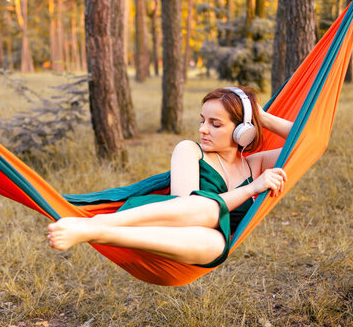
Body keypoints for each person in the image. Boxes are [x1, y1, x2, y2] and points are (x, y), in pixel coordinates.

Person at [47, 86, 293, 267]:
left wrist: (262, 118)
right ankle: (94, 225)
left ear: (243, 132)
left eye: (215, 124)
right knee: (202, 206)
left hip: (200, 244)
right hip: (158, 225)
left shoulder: (254, 165)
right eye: (202, 120)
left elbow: (303, 143)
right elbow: (185, 212)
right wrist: (251, 190)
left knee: (217, 243)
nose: (202, 129)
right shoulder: (190, 150)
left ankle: (92, 231)